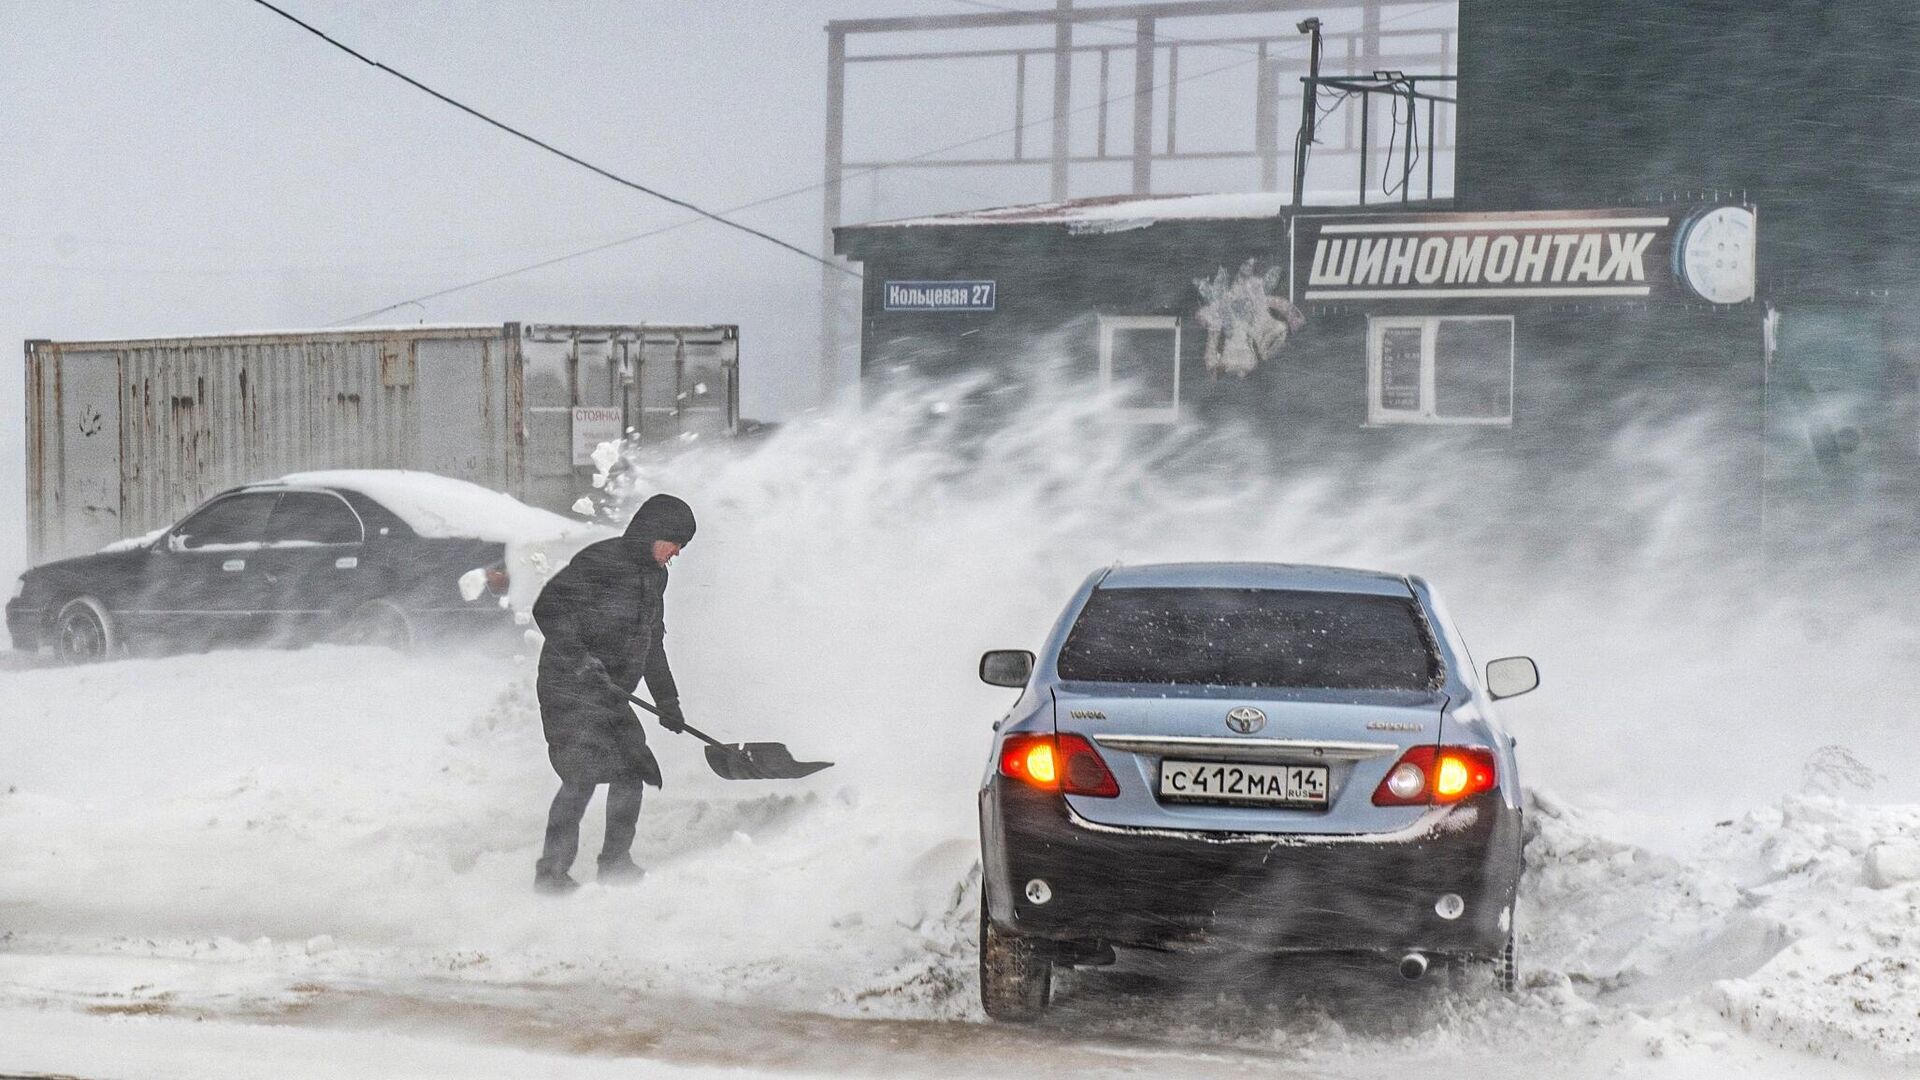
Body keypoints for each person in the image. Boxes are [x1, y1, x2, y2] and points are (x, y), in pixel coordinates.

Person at [530, 493, 696, 894]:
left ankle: (615, 862)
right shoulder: (600, 562)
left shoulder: (655, 576)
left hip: (611, 692)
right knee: (581, 775)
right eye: (674, 543)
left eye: (681, 548)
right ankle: (551, 875)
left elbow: (652, 640)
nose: (675, 554)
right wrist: (580, 660)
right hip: (568, 685)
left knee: (631, 769)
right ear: (653, 533)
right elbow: (548, 608)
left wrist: (667, 701)